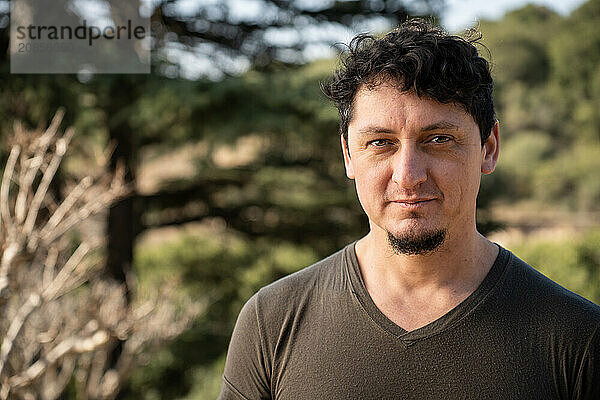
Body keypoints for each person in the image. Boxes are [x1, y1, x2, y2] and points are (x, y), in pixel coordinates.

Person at [218, 19, 600, 400]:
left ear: (489, 147)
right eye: (381, 142)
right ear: (349, 155)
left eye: (438, 139)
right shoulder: (272, 322)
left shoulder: (578, 338)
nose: (408, 175)